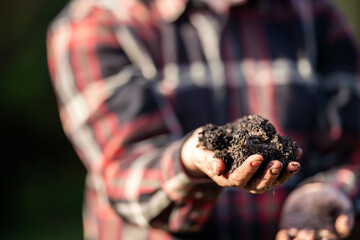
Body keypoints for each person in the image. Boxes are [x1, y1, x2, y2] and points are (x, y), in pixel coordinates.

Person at [46, 0, 360, 239]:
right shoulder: (98, 22)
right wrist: (189, 163)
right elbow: (125, 167)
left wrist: (326, 190)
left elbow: (349, 146)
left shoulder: (314, 15)